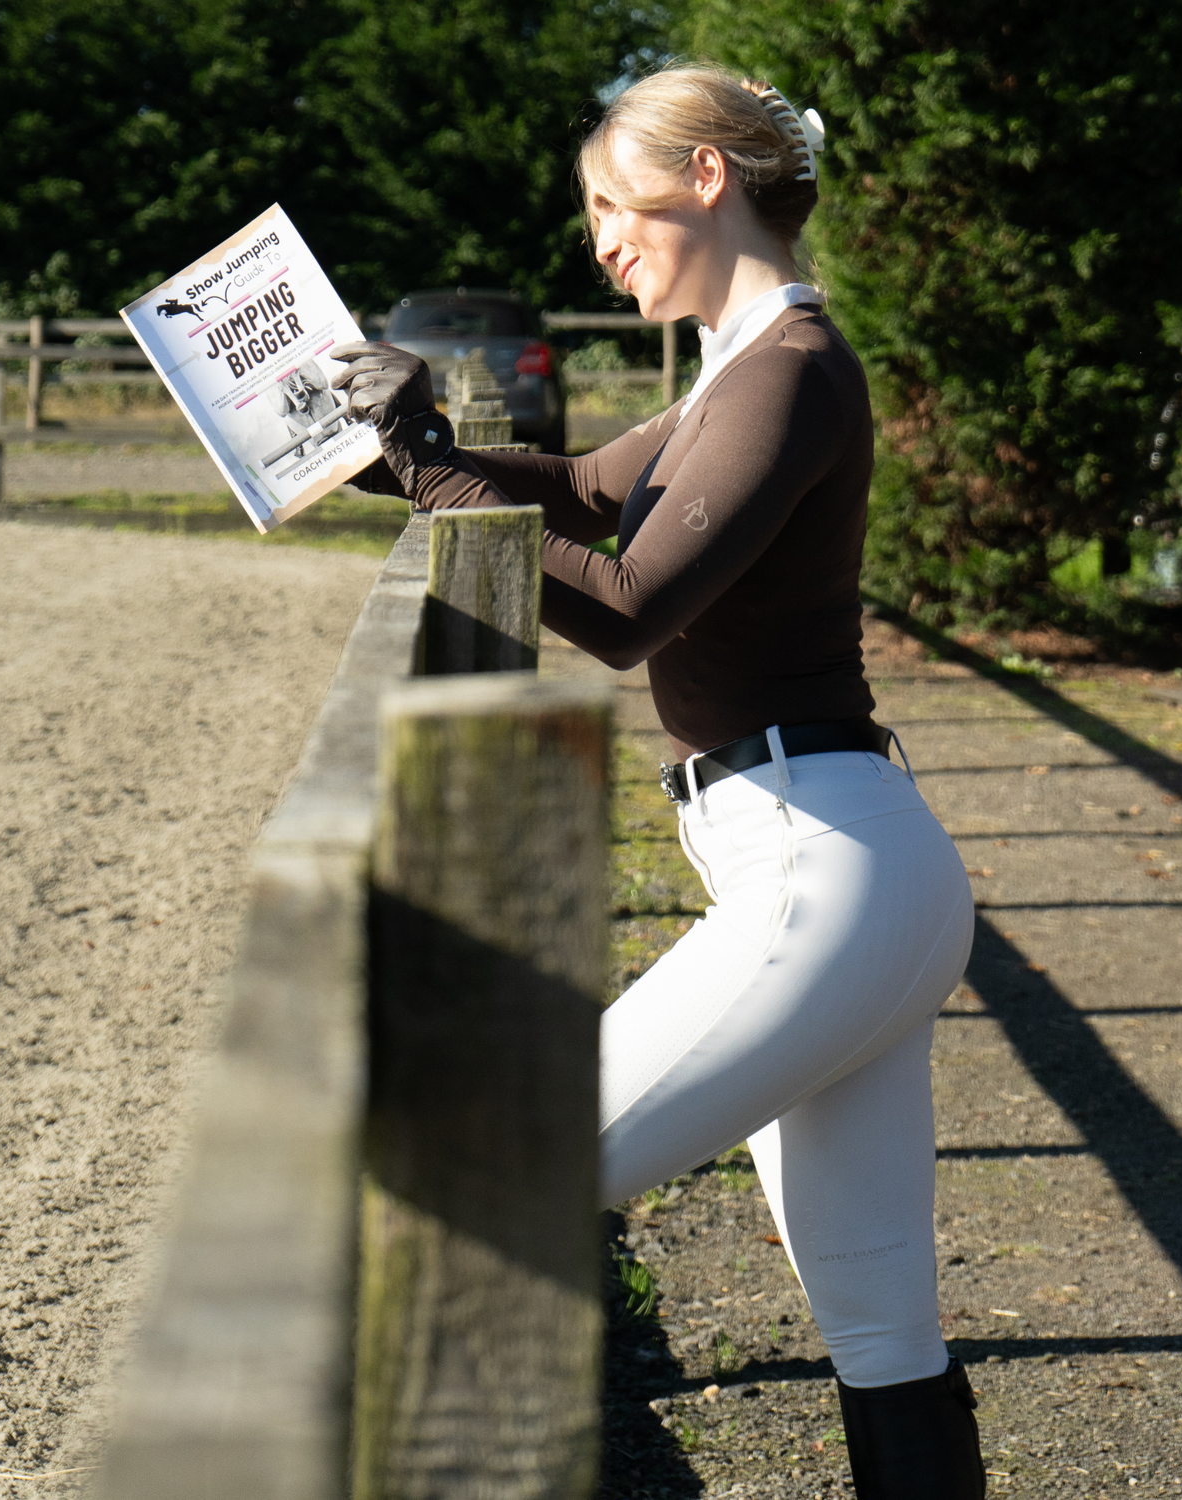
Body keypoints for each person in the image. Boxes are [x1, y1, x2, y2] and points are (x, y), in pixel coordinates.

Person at [331, 63, 986, 1500]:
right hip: (840, 868)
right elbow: (572, 491)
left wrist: (434, 463)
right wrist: (372, 450)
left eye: (616, 207)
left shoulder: (794, 372)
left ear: (709, 178)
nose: (602, 244)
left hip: (823, 876)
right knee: (884, 1334)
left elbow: (627, 603)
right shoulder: (739, 373)